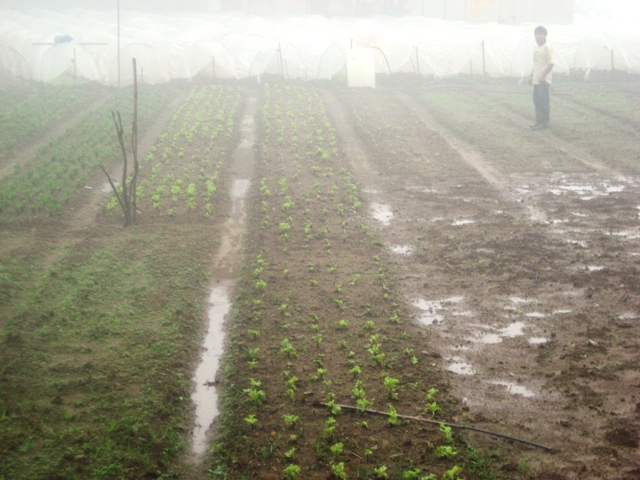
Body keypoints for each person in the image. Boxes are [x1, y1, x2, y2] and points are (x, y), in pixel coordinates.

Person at [529, 26, 554, 130]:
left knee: (544, 102)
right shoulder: (536, 48)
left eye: (540, 34)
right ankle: (538, 122)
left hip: (543, 81)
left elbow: (551, 63)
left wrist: (543, 75)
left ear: (544, 36)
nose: (538, 36)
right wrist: (531, 76)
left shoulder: (547, 48)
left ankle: (544, 123)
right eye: (536, 34)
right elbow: (535, 64)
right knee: (537, 101)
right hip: (536, 81)